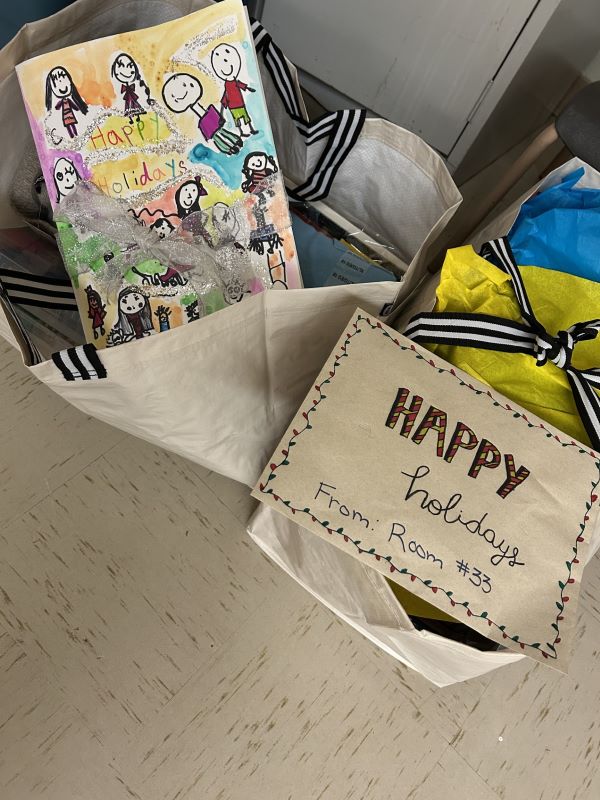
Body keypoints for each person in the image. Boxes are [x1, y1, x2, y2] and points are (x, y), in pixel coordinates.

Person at [162, 73, 242, 156]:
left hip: (208, 118)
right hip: (206, 122)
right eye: (173, 95)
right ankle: (229, 148)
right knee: (217, 137)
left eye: (185, 85)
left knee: (221, 132)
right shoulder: (202, 121)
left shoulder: (207, 113)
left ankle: (234, 143)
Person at [211, 43, 257, 137]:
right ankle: (241, 132)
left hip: (240, 103)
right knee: (238, 120)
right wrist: (222, 107)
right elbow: (226, 93)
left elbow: (240, 85)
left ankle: (251, 129)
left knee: (246, 118)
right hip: (233, 106)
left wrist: (248, 88)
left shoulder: (235, 81)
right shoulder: (227, 84)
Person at [45, 66, 88, 138]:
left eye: (63, 78)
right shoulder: (61, 102)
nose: (61, 83)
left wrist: (76, 108)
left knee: (72, 124)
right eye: (56, 83)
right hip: (65, 116)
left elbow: (73, 106)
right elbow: (58, 107)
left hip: (69, 115)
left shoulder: (69, 100)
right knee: (68, 125)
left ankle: (75, 133)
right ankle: (71, 135)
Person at [111, 53, 154, 123]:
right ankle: (131, 118)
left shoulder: (139, 83)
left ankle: (137, 116)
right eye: (121, 66)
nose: (127, 71)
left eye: (130, 66)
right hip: (128, 95)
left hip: (131, 94)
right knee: (128, 105)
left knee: (134, 103)